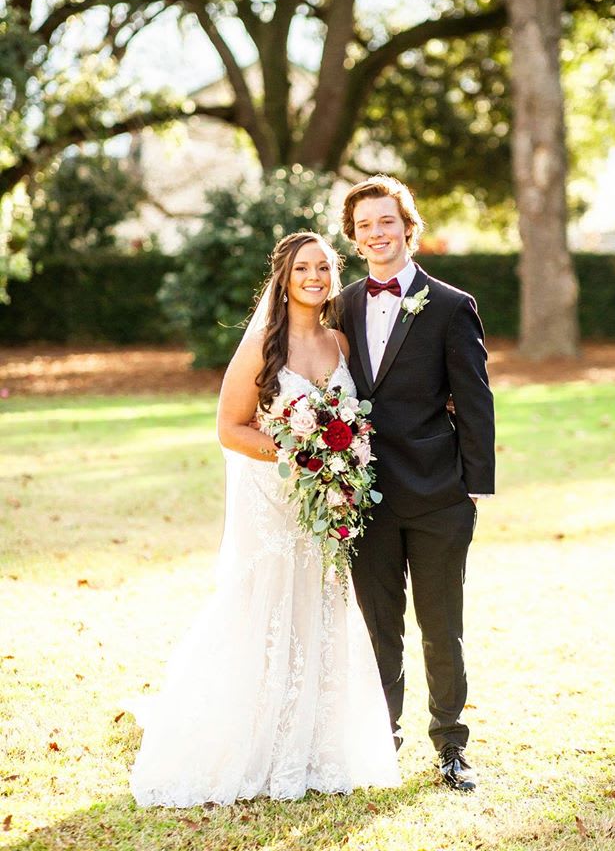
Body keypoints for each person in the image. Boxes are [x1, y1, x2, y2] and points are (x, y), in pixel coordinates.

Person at [128, 231, 399, 807]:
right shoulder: (262, 345)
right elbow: (230, 428)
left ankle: (315, 743)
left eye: (323, 267)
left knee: (319, 604)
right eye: (302, 268)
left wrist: (338, 462)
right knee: (265, 606)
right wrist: (300, 452)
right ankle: (250, 740)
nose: (314, 277)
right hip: (274, 501)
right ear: (283, 277)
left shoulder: (340, 343)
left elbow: (355, 417)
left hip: (326, 503)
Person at [337, 176, 495, 792]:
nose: (377, 233)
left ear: (408, 227)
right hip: (363, 495)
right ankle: (382, 740)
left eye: (387, 221)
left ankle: (451, 744)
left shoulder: (451, 306)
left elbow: (475, 401)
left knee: (440, 625)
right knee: (380, 626)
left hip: (437, 496)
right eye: (365, 226)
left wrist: (473, 489)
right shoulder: (341, 306)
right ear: (354, 238)